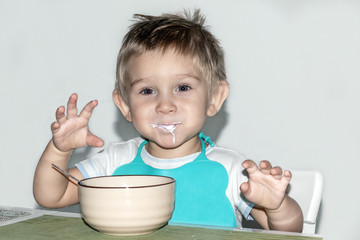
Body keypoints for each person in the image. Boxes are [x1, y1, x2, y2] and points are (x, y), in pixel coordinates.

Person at [33, 9, 303, 232]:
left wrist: (277, 206)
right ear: (125, 105)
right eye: (147, 91)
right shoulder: (113, 163)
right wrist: (60, 149)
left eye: (182, 87)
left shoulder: (232, 170)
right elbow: (51, 196)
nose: (164, 105)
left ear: (214, 98)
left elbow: (289, 231)